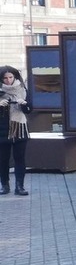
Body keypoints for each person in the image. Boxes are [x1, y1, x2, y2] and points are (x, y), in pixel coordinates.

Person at [0, 65, 32, 195]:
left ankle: (20, 186)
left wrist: (24, 104)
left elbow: (30, 110)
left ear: (15, 76)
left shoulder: (22, 90)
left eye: (10, 77)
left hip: (20, 127)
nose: (8, 80)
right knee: (3, 159)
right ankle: (5, 185)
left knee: (20, 158)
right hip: (2, 129)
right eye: (5, 78)